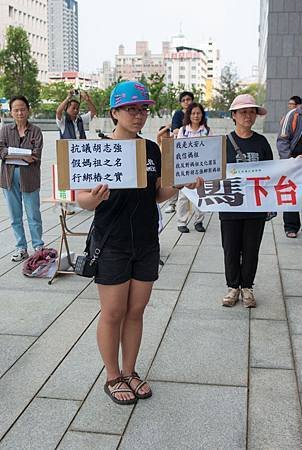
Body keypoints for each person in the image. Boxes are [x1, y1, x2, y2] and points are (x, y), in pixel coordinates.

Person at [76, 81, 201, 405]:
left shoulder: (150, 149)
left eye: (143, 108)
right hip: (111, 241)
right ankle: (112, 376)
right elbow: (81, 200)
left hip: (146, 240)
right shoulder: (98, 150)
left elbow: (157, 194)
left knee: (136, 310)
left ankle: (130, 371)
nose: (139, 114)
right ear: (115, 112)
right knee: (113, 311)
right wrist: (94, 197)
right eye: (131, 108)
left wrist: (178, 185)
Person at [220, 94, 273, 308]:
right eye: (243, 112)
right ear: (234, 115)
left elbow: (273, 173)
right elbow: (213, 171)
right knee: (231, 248)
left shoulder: (261, 142)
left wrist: (294, 164)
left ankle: (247, 287)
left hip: (256, 207)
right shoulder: (224, 143)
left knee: (252, 248)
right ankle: (233, 287)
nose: (248, 116)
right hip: (230, 205)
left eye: (251, 112)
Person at [0, 95, 44, 261]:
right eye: (16, 110)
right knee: (15, 216)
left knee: (33, 214)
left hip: (29, 178)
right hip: (9, 178)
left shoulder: (35, 131)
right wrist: (20, 156)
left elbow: (35, 155)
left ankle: (38, 246)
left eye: (22, 109)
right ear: (11, 112)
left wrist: (10, 155)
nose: (20, 113)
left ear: (28, 110)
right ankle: (21, 247)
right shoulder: (5, 130)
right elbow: (1, 150)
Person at [176, 102, 210, 233]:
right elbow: (178, 150)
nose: (196, 116)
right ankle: (181, 222)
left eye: (198, 113)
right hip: (186, 169)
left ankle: (199, 221)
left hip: (202, 169)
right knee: (184, 197)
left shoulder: (207, 131)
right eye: (193, 113)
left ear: (202, 115)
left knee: (201, 195)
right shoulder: (183, 131)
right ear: (189, 115)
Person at [277, 97, 302, 238]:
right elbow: (282, 139)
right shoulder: (292, 115)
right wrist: (289, 161)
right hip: (293, 160)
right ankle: (291, 226)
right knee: (291, 193)